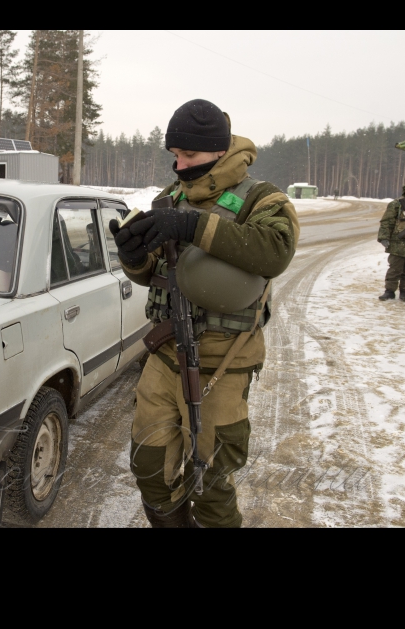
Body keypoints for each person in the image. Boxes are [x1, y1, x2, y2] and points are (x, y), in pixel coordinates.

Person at [109, 99, 298, 528]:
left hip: (223, 361)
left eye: (189, 156)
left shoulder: (263, 199)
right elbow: (152, 274)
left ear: (218, 150)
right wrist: (132, 255)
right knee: (150, 467)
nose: (179, 166)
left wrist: (193, 227)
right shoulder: (168, 199)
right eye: (174, 156)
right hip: (164, 355)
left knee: (212, 480)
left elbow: (275, 251)